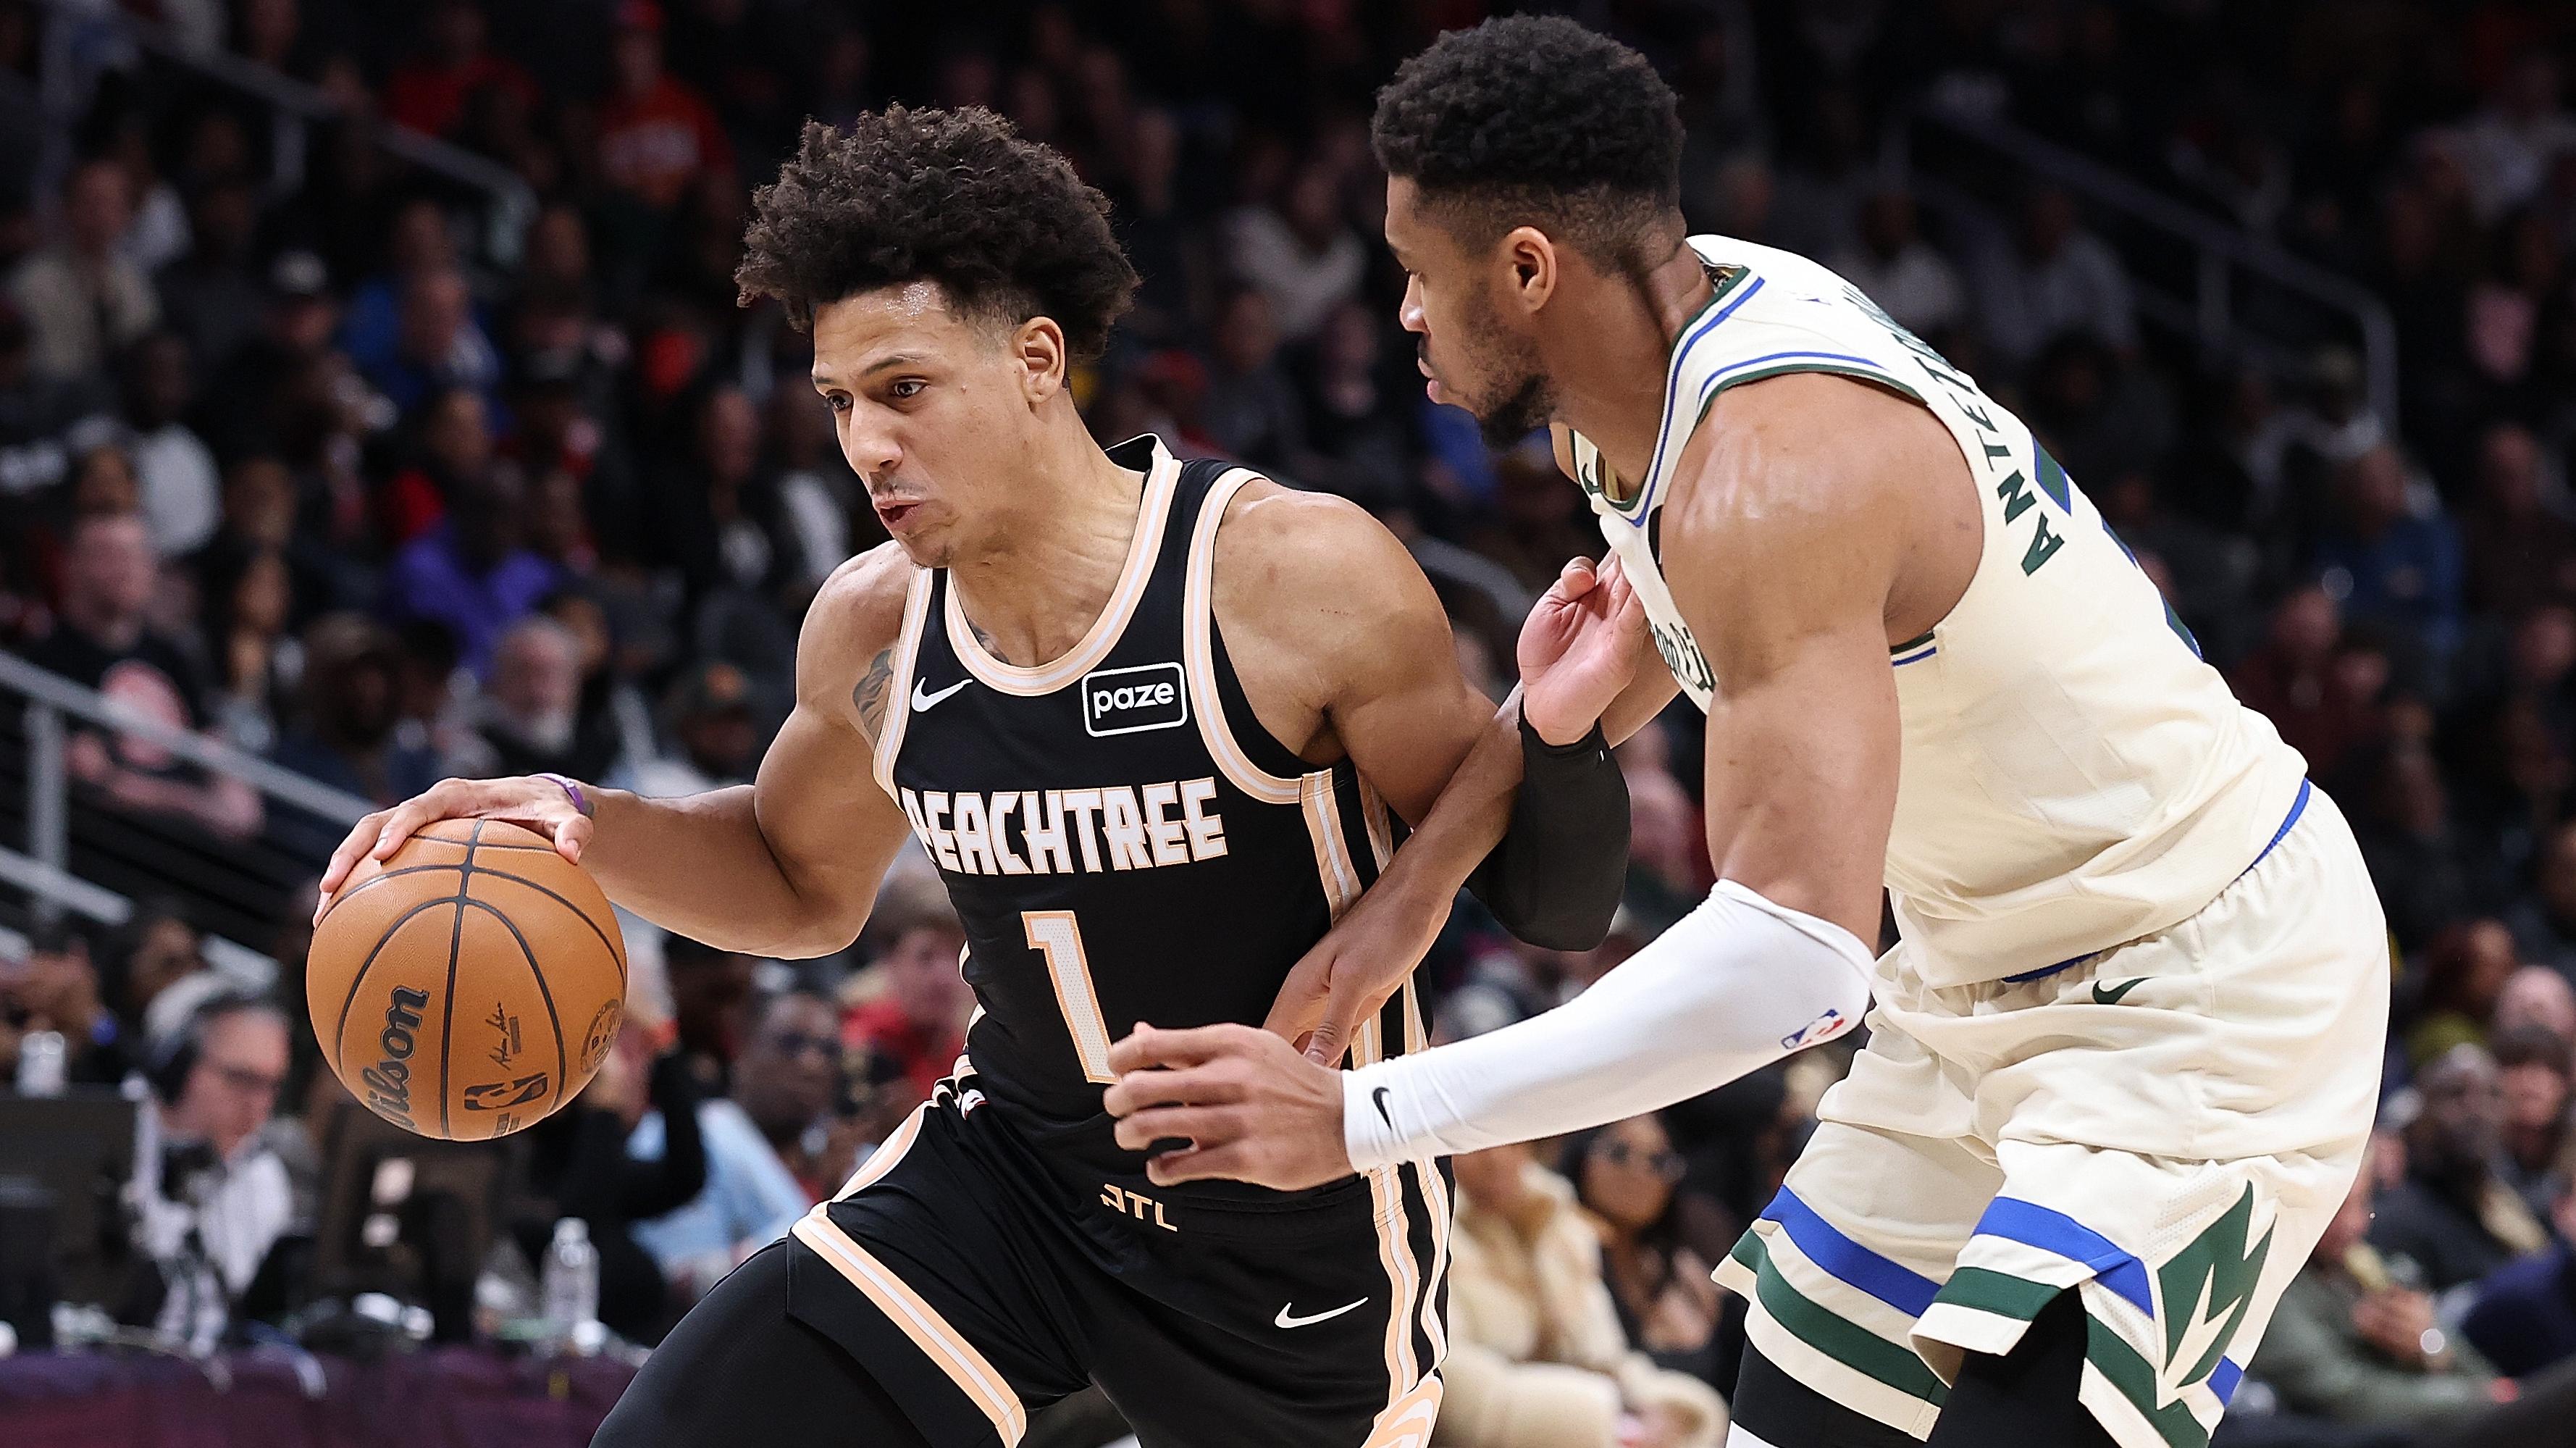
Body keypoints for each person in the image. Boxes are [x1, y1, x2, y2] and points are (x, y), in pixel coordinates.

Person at [1104, 19, 2387, 1448]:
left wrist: (1357, 1121)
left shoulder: (1772, 468)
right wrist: (1409, 898)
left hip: (2199, 983)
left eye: (1416, 270)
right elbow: (1695, 625)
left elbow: (1791, 964)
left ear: (1526, 271)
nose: (1400, 309)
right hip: (1974, 980)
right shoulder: (1645, 363)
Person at [316, 105, 1629, 1448]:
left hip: (1284, 1240)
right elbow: (793, 878)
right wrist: (579, 822)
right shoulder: (874, 626)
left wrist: (1552, 739)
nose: (866, 444)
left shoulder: (1286, 577)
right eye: (839, 402)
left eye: (903, 389)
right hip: (1010, 1184)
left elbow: (1554, 894)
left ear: (1036, 360)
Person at [130, 992, 296, 1354]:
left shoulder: (263, 1177)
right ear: (180, 1067)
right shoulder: (115, 1143)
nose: (259, 1104)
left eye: (272, 1085)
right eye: (242, 1079)